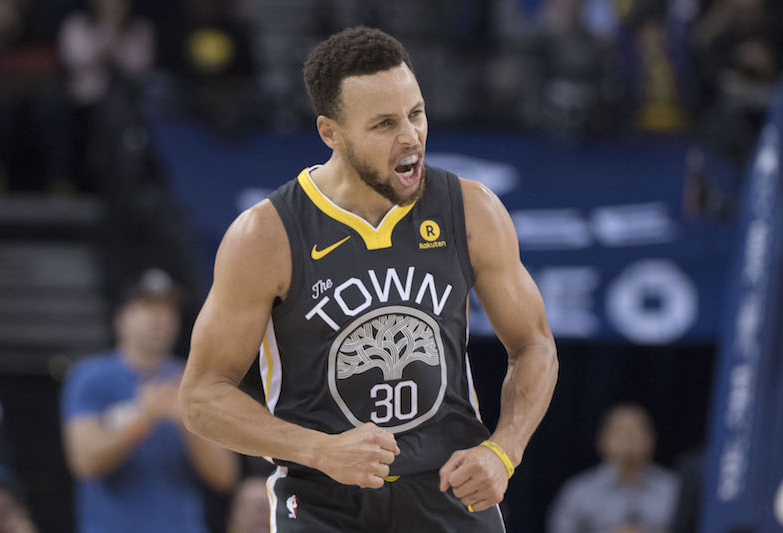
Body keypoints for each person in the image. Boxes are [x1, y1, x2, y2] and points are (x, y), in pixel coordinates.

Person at [179, 26, 558, 532]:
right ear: (330, 132)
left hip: (448, 487)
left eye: (416, 113)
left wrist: (503, 451)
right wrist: (319, 449)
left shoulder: (471, 210)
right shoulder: (266, 236)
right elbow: (202, 397)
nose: (411, 137)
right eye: (384, 124)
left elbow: (534, 345)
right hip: (325, 498)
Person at [60, 268, 239, 533]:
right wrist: (144, 416)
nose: (161, 318)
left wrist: (187, 421)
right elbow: (85, 461)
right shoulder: (90, 377)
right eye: (148, 307)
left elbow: (225, 477)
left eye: (168, 309)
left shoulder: (194, 380)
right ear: (121, 318)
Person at [548, 403, 679, 533]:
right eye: (620, 432)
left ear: (651, 439)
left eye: (636, 432)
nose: (628, 439)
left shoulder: (674, 489)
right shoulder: (578, 493)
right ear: (602, 440)